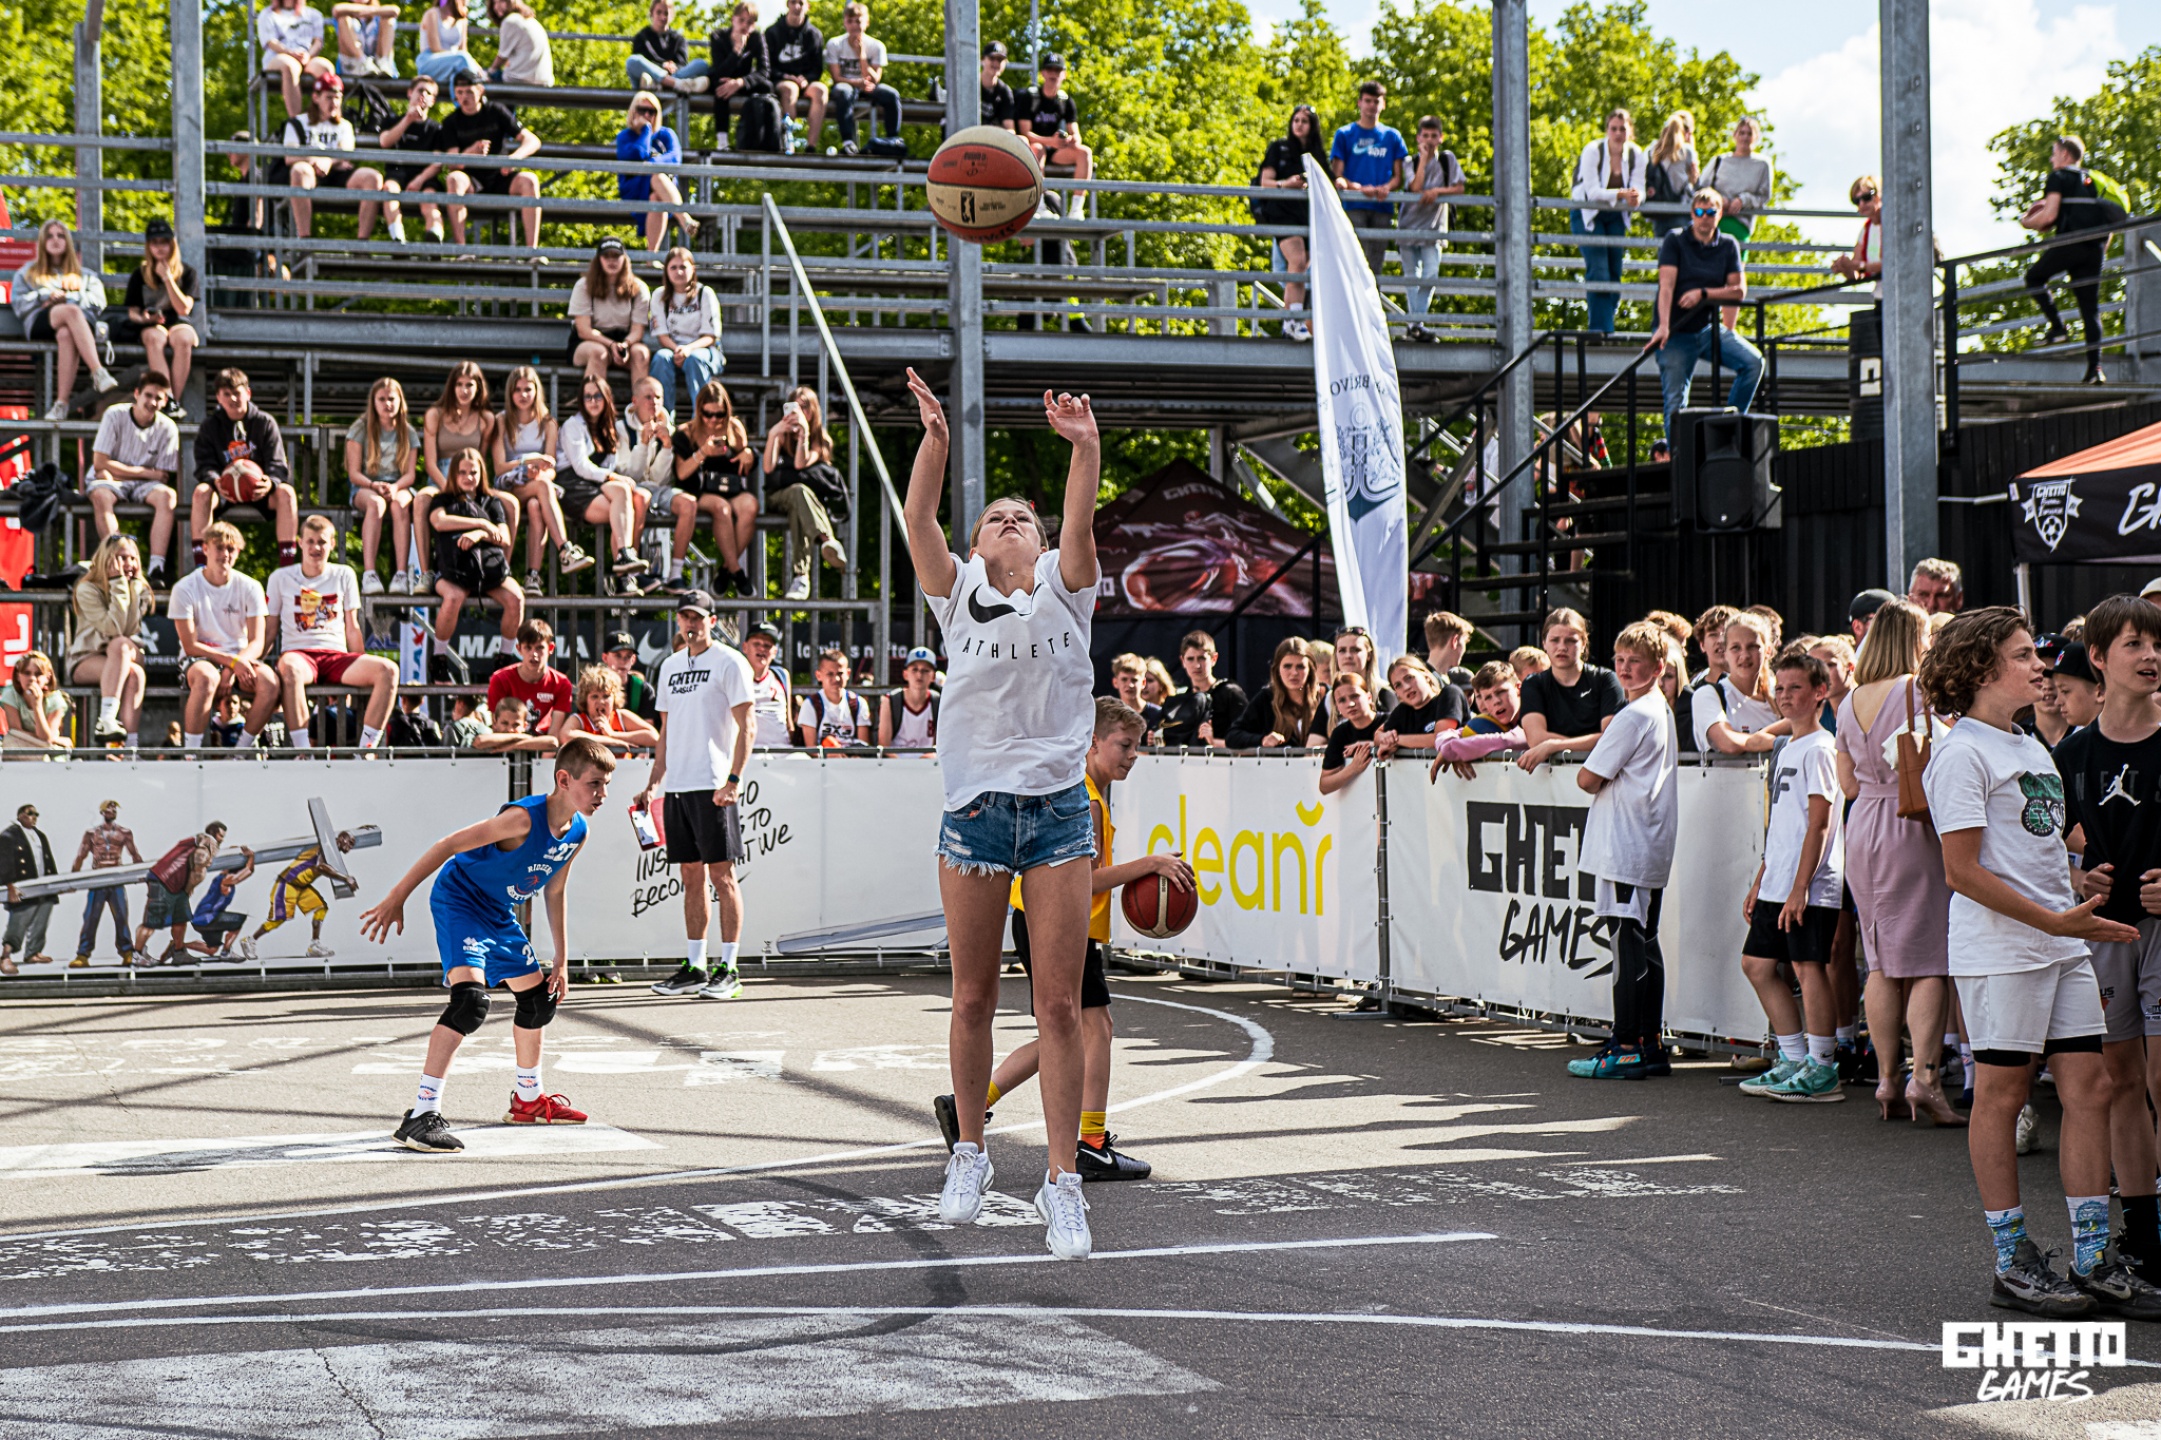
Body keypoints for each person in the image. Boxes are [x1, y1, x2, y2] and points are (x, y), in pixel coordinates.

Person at [902, 363, 1102, 1260]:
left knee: (1058, 1007)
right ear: (977, 546)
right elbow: (919, 521)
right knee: (973, 997)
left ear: (1042, 540)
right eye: (995, 517)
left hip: (1056, 811)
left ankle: (1062, 1182)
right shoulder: (956, 592)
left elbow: (1079, 520)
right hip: (975, 811)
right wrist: (936, 443)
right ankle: (970, 1155)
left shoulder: (1067, 583)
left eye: (1023, 514)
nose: (1010, 520)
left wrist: (1084, 446)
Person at [1918, 608, 2161, 1317]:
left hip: (2060, 942)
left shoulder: (2026, 744)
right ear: (1981, 667)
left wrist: (2075, 882)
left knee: (2090, 1088)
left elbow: (2039, 844)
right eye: (2024, 655)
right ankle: (2012, 1259)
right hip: (2003, 952)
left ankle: (2091, 1255)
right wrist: (2054, 918)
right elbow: (1961, 871)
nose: (2040, 667)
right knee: (2002, 1096)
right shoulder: (1960, 753)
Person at [944, 698, 1192, 1182]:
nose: (1133, 755)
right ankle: (1091, 1145)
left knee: (1067, 1032)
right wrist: (1149, 864)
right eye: (1124, 744)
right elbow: (1085, 880)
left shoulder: (1090, 792)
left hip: (1050, 920)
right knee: (1094, 1030)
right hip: (1055, 921)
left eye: (1137, 746)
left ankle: (972, 1100)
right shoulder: (1085, 799)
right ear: (1092, 742)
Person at [367, 737, 616, 1153]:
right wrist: (398, 897)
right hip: (461, 899)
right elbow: (448, 845)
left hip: (498, 910)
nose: (602, 794)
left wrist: (561, 958)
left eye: (606, 784)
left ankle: (528, 1100)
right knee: (470, 1003)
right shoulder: (522, 820)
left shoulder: (578, 832)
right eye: (594, 784)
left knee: (538, 1001)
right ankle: (421, 1114)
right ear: (563, 780)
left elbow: (555, 891)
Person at [2055, 595, 2161, 1284]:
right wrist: (2076, 875)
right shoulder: (2071, 753)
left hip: (2160, 931)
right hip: (2102, 931)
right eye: (2134, 644)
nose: (2151, 656)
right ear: (2097, 657)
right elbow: (2040, 849)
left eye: (2157, 645)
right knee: (2121, 1080)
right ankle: (2143, 1235)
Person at [1732, 648, 1849, 1103]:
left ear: (1819, 692)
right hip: (1779, 878)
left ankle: (1822, 1067)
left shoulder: (1821, 747)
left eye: (1795, 687)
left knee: (1807, 965)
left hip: (1810, 883)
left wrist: (1801, 886)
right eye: (1779, 687)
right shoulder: (1787, 746)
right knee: (1757, 965)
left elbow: (1819, 823)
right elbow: (1782, 822)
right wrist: (1763, 878)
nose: (1784, 695)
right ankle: (1793, 1057)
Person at [1568, 622, 1680, 1079]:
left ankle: (1628, 1044)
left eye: (1636, 661)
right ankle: (1649, 1043)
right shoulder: (1657, 709)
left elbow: (1587, 778)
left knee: (1627, 944)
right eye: (1620, 659)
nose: (1625, 668)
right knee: (1644, 942)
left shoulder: (1634, 715)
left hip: (1626, 845)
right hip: (1643, 842)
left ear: (1658, 667)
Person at [639, 590, 757, 1002]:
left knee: (722, 876)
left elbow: (748, 725)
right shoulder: (670, 665)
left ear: (712, 620)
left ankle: (730, 968)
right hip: (678, 787)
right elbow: (666, 733)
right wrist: (654, 782)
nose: (690, 624)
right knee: (690, 876)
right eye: (684, 617)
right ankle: (695, 965)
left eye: (697, 617)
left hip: (713, 785)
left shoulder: (730, 661)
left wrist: (734, 779)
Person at [268, 515, 398, 749]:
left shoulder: (344, 574)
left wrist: (360, 660)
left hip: (336, 655)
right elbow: (270, 629)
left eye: (322, 542)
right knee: (290, 668)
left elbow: (352, 626)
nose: (316, 547)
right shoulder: (281, 577)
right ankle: (304, 751)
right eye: (310, 541)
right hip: (299, 655)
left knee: (388, 670)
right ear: (299, 543)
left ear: (332, 544)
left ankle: (366, 750)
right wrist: (252, 662)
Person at [1648, 186, 1764, 435]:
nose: (1704, 218)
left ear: (1719, 215)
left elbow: (1738, 291)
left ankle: (1729, 429)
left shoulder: (1728, 245)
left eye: (1710, 212)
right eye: (1699, 212)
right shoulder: (1675, 239)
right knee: (1675, 403)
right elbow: (1666, 286)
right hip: (1675, 331)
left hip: (1707, 329)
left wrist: (1703, 295)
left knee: (1754, 363)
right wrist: (1663, 326)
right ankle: (1678, 456)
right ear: (1692, 213)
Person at [170, 522, 277, 749]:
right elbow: (190, 646)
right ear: (205, 548)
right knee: (207, 678)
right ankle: (191, 755)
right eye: (219, 547)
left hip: (239, 658)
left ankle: (241, 751)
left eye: (231, 548)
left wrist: (232, 667)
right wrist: (232, 664)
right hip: (200, 658)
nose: (225, 554)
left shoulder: (251, 586)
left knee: (270, 682)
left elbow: (257, 641)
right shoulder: (184, 587)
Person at [2020, 136, 2111, 383]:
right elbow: (2108, 219)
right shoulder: (2094, 179)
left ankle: (2058, 327)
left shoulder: (2058, 177)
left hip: (2071, 241)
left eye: (2053, 153)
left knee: (2034, 277)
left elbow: (2048, 217)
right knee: (2090, 309)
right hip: (2096, 247)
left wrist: (2026, 221)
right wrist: (2100, 250)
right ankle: (2095, 370)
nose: (2051, 159)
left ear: (2064, 155)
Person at [191, 369, 299, 569]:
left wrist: (270, 482)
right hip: (224, 491)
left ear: (248, 393)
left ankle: (287, 567)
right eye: (226, 394)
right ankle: (201, 566)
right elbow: (204, 464)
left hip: (259, 491)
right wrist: (215, 480)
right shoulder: (210, 426)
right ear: (218, 397)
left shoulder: (264, 423)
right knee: (201, 493)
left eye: (237, 393)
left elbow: (278, 464)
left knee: (287, 493)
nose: (233, 398)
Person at [12, 219, 117, 421]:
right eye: (49, 236)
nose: (55, 240)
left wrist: (69, 297)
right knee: (72, 312)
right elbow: (19, 304)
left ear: (68, 241)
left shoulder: (85, 276)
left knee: (66, 333)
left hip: (76, 327)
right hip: (41, 322)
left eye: (60, 236)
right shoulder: (28, 273)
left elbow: (98, 303)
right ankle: (98, 371)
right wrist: (46, 296)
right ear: (42, 242)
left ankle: (61, 403)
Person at [276, 73, 399, 242]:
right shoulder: (297, 122)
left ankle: (362, 245)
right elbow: (290, 157)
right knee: (300, 170)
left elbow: (346, 153)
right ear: (315, 97)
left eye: (338, 97)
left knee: (373, 177)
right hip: (309, 174)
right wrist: (315, 160)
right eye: (329, 97)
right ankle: (304, 240)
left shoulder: (345, 125)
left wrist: (328, 161)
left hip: (338, 174)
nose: (334, 103)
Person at [430, 448, 525, 656]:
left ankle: (505, 657)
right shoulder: (443, 499)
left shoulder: (492, 502)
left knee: (516, 599)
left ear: (482, 473)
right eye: (462, 472)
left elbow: (505, 537)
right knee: (453, 597)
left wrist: (479, 534)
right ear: (454, 474)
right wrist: (481, 524)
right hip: (453, 573)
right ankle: (438, 658)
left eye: (473, 472)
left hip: (488, 572)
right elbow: (439, 521)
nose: (468, 477)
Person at [556, 378, 652, 584]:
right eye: (587, 397)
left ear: (606, 398)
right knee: (623, 509)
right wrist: (613, 477)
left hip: (595, 483)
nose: (593, 401)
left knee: (633, 498)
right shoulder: (573, 425)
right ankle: (626, 570)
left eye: (597, 396)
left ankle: (625, 566)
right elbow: (581, 466)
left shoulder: (610, 427)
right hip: (572, 485)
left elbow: (609, 467)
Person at [89, 372, 182, 582]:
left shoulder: (168, 427)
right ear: (137, 393)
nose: (152, 402)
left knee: (168, 496)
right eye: (148, 395)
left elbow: (163, 476)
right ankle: (116, 561)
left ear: (165, 402)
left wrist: (120, 469)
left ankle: (156, 568)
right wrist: (145, 472)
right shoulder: (114, 414)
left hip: (144, 485)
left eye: (158, 398)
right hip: (114, 481)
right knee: (101, 495)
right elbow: (100, 463)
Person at [415, 360, 496, 595]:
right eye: (459, 384)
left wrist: (468, 488)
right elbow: (429, 463)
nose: (464, 390)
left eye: (469, 385)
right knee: (421, 499)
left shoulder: (486, 419)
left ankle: (500, 572)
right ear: (451, 387)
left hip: (472, 481)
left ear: (478, 387)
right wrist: (451, 489)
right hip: (441, 479)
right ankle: (426, 573)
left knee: (509, 503)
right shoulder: (435, 414)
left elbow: (480, 461)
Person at [440, 73, 544, 251]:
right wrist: (471, 153)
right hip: (471, 180)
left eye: (469, 92)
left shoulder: (496, 111)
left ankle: (531, 252)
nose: (464, 97)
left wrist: (514, 159)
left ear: (480, 90)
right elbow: (452, 164)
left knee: (530, 180)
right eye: (460, 92)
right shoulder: (450, 122)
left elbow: (533, 141)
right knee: (454, 179)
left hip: (501, 176)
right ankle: (462, 251)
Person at [67, 534, 153, 747]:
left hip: (123, 653)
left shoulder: (139, 588)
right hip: (86, 659)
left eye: (133, 558)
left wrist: (131, 588)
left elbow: (129, 629)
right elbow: (113, 629)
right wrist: (118, 584)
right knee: (130, 664)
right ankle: (108, 722)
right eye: (122, 558)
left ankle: (127, 747)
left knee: (124, 652)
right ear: (107, 559)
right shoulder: (87, 588)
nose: (129, 564)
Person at [765, 386, 849, 602]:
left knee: (799, 503)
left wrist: (804, 434)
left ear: (813, 411)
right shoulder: (781, 435)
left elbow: (800, 464)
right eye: (795, 407)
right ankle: (827, 539)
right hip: (778, 497)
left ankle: (801, 577)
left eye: (805, 407)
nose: (800, 412)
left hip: (802, 504)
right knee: (799, 491)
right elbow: (768, 467)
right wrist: (774, 434)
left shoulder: (820, 440)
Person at [676, 379, 759, 593]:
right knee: (722, 508)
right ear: (699, 410)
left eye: (719, 414)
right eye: (708, 414)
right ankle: (737, 572)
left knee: (751, 506)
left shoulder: (734, 428)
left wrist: (748, 454)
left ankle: (726, 569)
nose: (713, 420)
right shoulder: (686, 433)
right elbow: (681, 473)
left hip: (731, 488)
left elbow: (747, 462)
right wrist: (702, 452)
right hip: (700, 490)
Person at [1515, 607, 1624, 770]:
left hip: (1600, 772)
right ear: (1544, 643)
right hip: (1551, 777)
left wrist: (1552, 746)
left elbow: (1611, 739)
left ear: (1584, 643)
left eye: (1570, 641)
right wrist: (1588, 743)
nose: (1562, 647)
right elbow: (1536, 739)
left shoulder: (1606, 680)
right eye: (1555, 640)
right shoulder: (1534, 684)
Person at [619, 376, 699, 591]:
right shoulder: (621, 428)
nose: (654, 402)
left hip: (658, 489)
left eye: (658, 397)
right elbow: (630, 475)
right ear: (635, 401)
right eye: (648, 397)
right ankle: (632, 573)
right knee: (641, 497)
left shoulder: (670, 430)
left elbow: (659, 479)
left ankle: (675, 574)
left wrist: (666, 447)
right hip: (630, 489)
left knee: (689, 503)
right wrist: (643, 444)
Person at [1569, 109, 1645, 336]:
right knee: (1599, 270)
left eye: (1622, 129)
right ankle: (1600, 331)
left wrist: (1637, 197)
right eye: (1614, 129)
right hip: (1587, 213)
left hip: (1615, 215)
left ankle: (1604, 326)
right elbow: (1593, 192)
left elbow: (1639, 187)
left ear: (1629, 131)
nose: (1618, 133)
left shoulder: (1636, 154)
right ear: (1607, 130)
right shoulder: (1593, 150)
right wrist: (1622, 194)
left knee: (1614, 273)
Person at [1254, 104, 1325, 341]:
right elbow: (1265, 182)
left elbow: (1329, 180)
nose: (1299, 125)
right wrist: (1287, 184)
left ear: (1312, 126)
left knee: (1301, 267)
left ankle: (1292, 321)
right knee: (1296, 261)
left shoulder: (1316, 153)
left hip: (1307, 215)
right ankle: (1294, 319)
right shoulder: (1279, 148)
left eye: (1304, 121)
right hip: (1282, 212)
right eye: (1296, 120)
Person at [117, 220, 201, 415]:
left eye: (164, 242)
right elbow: (132, 311)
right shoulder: (139, 274)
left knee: (184, 338)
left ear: (172, 244)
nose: (160, 247)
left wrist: (167, 278)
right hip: (152, 325)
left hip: (178, 322)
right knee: (154, 337)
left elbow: (184, 309)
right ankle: (168, 397)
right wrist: (144, 319)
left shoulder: (188, 272)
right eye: (155, 243)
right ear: (149, 246)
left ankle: (173, 401)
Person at [347, 376, 421, 596]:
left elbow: (410, 474)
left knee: (400, 505)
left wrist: (395, 487)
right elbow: (353, 473)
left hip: (399, 485)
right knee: (377, 504)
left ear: (400, 401)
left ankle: (401, 574)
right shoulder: (360, 428)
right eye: (381, 399)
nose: (387, 404)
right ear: (373, 402)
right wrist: (373, 484)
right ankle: (369, 574)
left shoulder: (408, 432)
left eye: (391, 399)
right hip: (366, 485)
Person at [1703, 117, 1774, 331]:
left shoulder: (1762, 164)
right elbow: (1701, 189)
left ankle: (1727, 329)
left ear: (1756, 137)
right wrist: (1720, 200)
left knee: (1734, 276)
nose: (1744, 137)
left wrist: (1743, 200)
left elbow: (1764, 196)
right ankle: (1704, 324)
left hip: (1740, 224)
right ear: (1734, 135)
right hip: (1713, 221)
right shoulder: (1719, 161)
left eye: (1749, 133)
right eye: (1741, 132)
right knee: (1707, 272)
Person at [1329, 81, 1406, 276]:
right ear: (1359, 103)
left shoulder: (1392, 136)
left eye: (1376, 101)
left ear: (1383, 104)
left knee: (1375, 264)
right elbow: (1337, 175)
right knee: (1354, 260)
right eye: (1368, 101)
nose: (1372, 105)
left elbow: (1399, 177)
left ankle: (1374, 296)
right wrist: (1358, 188)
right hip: (1354, 205)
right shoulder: (1345, 134)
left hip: (1382, 206)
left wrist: (1386, 187)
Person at [1399, 117, 1464, 343]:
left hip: (1434, 228)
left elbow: (1459, 188)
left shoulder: (1447, 160)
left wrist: (1437, 191)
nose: (1429, 140)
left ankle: (1415, 324)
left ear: (1441, 138)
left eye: (1433, 136)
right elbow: (1415, 187)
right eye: (1425, 136)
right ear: (1418, 138)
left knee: (1431, 274)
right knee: (1411, 277)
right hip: (1408, 226)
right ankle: (1417, 326)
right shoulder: (1410, 161)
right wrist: (1423, 161)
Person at [1693, 610, 1785, 755]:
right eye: (1736, 648)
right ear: (1725, 652)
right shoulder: (1707, 694)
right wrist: (1776, 741)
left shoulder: (1779, 695)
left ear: (1767, 650)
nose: (1744, 655)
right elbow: (1728, 743)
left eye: (1752, 646)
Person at [568, 236, 652, 392]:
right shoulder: (584, 285)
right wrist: (611, 345)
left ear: (624, 259)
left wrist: (624, 345)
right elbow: (583, 330)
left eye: (616, 256)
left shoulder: (639, 287)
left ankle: (639, 405)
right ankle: (592, 403)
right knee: (599, 353)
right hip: (589, 341)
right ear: (598, 260)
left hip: (625, 341)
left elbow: (638, 331)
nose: (611, 261)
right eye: (606, 256)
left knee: (641, 353)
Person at [617, 94, 698, 252]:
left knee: (656, 196)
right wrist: (646, 130)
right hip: (634, 190)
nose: (647, 115)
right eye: (642, 110)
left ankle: (651, 256)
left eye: (652, 111)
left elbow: (675, 157)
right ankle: (684, 218)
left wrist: (651, 164)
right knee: (657, 176)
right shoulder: (625, 136)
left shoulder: (666, 135)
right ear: (633, 111)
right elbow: (637, 154)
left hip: (663, 193)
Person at [378, 75, 451, 246]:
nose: (423, 95)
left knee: (429, 199)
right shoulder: (392, 121)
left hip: (425, 177)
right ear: (409, 92)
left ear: (433, 101)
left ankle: (434, 239)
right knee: (389, 190)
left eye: (428, 93)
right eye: (420, 90)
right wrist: (408, 119)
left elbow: (437, 163)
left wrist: (420, 180)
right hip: (397, 173)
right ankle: (398, 239)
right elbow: (385, 142)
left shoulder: (436, 129)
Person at [648, 247, 721, 412]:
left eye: (683, 267)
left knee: (695, 359)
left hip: (703, 351)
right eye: (673, 267)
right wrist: (678, 350)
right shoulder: (659, 295)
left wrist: (688, 349)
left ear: (693, 269)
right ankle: (663, 416)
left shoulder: (705, 293)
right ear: (666, 271)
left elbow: (710, 336)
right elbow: (662, 336)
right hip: (672, 350)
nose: (678, 272)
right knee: (660, 358)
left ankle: (701, 416)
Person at [72, 800, 144, 968]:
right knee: (91, 917)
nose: (112, 811)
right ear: (102, 812)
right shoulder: (91, 833)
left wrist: (143, 875)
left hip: (116, 878)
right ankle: (83, 954)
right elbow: (81, 855)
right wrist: (73, 880)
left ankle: (127, 951)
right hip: (98, 878)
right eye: (109, 808)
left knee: (121, 916)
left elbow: (135, 854)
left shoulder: (124, 832)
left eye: (114, 808)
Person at [825, 3, 900, 156]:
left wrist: (861, 55)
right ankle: (848, 142)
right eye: (850, 21)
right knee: (843, 92)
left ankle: (893, 140)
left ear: (867, 22)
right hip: (846, 85)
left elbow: (875, 78)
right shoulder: (834, 44)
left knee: (892, 94)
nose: (854, 25)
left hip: (868, 86)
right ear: (844, 23)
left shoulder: (876, 46)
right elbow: (836, 78)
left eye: (858, 21)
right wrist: (858, 83)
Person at [1159, 630, 1247, 748]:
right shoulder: (1183, 697)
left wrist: (1214, 742)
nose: (1197, 665)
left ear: (1214, 659)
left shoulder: (1230, 693)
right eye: (1190, 659)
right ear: (1183, 661)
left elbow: (1247, 739)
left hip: (1223, 758)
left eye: (1202, 658)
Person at [0, 804, 62, 973]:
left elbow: (48, 860)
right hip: (23, 886)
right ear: (20, 815)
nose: (34, 817)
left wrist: (56, 885)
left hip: (43, 885)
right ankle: (5, 957)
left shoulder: (40, 835)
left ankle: (33, 953)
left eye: (36, 814)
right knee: (19, 920)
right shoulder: (8, 836)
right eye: (30, 813)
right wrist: (10, 886)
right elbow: (4, 863)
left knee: (42, 918)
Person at [1225, 637, 1317, 749]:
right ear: (1277, 669)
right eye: (1287, 666)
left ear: (1310, 670)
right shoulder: (1267, 698)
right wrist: (1263, 740)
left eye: (1300, 667)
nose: (1294, 673)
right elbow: (1232, 736)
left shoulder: (1323, 697)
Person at [1018, 53, 1091, 190]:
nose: (1053, 73)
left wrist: (1072, 139)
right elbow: (1024, 133)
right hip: (1034, 149)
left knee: (1085, 153)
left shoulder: (1066, 101)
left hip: (1057, 152)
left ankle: (1077, 203)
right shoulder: (1030, 97)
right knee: (1038, 149)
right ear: (1043, 73)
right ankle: (1039, 199)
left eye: (1057, 70)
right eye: (1049, 69)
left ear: (1064, 74)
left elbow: (1075, 133)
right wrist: (1050, 141)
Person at [487, 617, 573, 733]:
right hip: (508, 740)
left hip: (545, 742)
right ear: (519, 649)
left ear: (551, 648)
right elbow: (497, 728)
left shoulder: (562, 683)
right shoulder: (500, 679)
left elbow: (554, 735)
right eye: (528, 647)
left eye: (539, 648)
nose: (534, 654)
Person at [711, 2, 776, 148]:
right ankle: (722, 140)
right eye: (741, 20)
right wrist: (736, 51)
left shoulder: (757, 37)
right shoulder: (718, 36)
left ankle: (764, 137)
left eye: (750, 22)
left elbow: (764, 71)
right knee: (721, 87)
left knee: (767, 87)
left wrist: (741, 82)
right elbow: (719, 71)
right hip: (725, 79)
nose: (745, 26)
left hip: (744, 82)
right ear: (733, 19)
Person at [765, 0, 828, 150]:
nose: (797, 7)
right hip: (781, 80)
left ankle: (811, 147)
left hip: (806, 82)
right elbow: (767, 67)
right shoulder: (772, 32)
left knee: (821, 90)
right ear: (788, 4)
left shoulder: (814, 35)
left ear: (808, 6)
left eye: (801, 3)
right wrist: (785, 76)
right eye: (793, 2)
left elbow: (817, 69)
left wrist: (806, 79)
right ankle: (788, 143)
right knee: (790, 89)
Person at [259, 0, 335, 118]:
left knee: (325, 68)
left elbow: (318, 42)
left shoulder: (314, 14)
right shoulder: (267, 14)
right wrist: (291, 53)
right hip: (278, 56)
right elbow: (270, 42)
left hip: (307, 56)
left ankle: (325, 118)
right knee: (290, 67)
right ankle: (296, 121)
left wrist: (308, 55)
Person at [1375, 654, 1466, 752]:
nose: (1406, 687)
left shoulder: (1450, 693)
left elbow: (1441, 739)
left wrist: (1396, 740)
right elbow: (1378, 735)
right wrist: (1386, 739)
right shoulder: (1403, 710)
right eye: (1398, 685)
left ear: (1426, 676)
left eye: (1409, 678)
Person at [1318, 672, 1390, 797]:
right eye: (1342, 700)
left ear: (1369, 697)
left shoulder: (1389, 721)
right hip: (1360, 800)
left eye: (1355, 696)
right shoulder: (1340, 733)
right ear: (1337, 707)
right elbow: (1324, 785)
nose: (1350, 704)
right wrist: (1353, 768)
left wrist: (1372, 745)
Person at [557, 665, 660, 751]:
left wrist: (613, 734)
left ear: (615, 698)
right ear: (585, 699)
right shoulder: (579, 720)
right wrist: (610, 741)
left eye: (606, 696)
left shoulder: (621, 716)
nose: (601, 702)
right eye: (595, 696)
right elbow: (565, 736)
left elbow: (654, 737)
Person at [189, 846, 257, 959]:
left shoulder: (221, 878)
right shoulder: (226, 880)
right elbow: (248, 871)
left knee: (212, 949)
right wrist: (251, 856)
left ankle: (178, 946)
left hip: (199, 921)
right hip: (208, 918)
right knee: (238, 920)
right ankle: (226, 952)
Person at [627, 0, 710, 91]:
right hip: (649, 77)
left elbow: (682, 64)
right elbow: (640, 63)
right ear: (651, 13)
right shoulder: (641, 37)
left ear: (672, 15)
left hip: (668, 77)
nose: (663, 17)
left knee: (701, 65)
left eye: (666, 13)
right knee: (632, 61)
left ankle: (661, 84)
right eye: (659, 12)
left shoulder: (679, 39)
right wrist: (662, 65)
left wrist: (673, 67)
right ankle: (675, 84)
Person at [796, 648, 872, 746]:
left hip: (851, 755)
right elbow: (811, 748)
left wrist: (851, 754)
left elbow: (863, 746)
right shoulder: (810, 704)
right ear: (818, 675)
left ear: (848, 674)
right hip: (822, 755)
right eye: (830, 674)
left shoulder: (859, 703)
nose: (836, 679)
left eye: (840, 673)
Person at [0, 652, 70, 752]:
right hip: (20, 745)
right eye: (27, 673)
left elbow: (45, 737)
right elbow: (16, 733)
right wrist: (55, 740)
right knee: (11, 740)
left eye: (38, 674)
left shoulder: (56, 700)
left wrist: (37, 705)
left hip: (47, 752)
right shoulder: (10, 694)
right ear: (18, 676)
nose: (32, 678)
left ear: (48, 678)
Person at [741, 620, 792, 745]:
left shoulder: (781, 675)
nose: (762, 649)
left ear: (775, 652)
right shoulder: (735, 676)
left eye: (767, 645)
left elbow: (789, 723)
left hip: (782, 749)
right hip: (749, 749)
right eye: (756, 644)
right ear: (745, 647)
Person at [1829, 176, 1882, 291]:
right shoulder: (1866, 230)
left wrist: (1860, 266)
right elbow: (1857, 275)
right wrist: (1845, 267)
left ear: (1879, 195)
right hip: (1881, 294)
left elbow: (1893, 263)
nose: (1861, 204)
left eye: (1866, 197)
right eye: (1856, 201)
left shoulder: (1893, 225)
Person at [879, 646, 940, 747]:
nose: (919, 675)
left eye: (925, 671)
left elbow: (940, 744)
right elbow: (884, 746)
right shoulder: (891, 701)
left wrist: (931, 754)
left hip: (929, 757)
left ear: (933, 676)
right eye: (914, 670)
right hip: (897, 757)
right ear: (905, 674)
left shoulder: (938, 702)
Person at [486, 0, 554, 86]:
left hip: (520, 80)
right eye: (494, 3)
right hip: (544, 81)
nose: (496, 7)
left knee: (480, 78)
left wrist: (489, 72)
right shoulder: (530, 20)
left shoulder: (510, 21)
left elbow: (501, 57)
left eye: (501, 1)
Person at [1644, 110, 1699, 210]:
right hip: (1680, 208)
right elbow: (1695, 182)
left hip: (1655, 207)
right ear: (1686, 132)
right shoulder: (1687, 152)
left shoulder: (1652, 150)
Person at [415, 0, 477, 86]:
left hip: (455, 64)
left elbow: (463, 50)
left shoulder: (462, 19)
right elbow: (435, 48)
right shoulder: (432, 13)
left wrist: (477, 67)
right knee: (462, 59)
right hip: (429, 61)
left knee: (458, 75)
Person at [332, 0, 400, 78]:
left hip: (378, 62)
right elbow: (337, 9)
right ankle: (362, 61)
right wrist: (372, 10)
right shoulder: (344, 16)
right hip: (352, 65)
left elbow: (395, 10)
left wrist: (365, 11)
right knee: (343, 18)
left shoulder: (379, 18)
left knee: (388, 18)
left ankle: (384, 62)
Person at [1105, 653, 1164, 738]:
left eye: (1134, 680)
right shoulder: (1109, 716)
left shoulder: (1157, 714)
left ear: (1143, 683)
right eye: (1124, 679)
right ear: (1115, 682)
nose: (1130, 685)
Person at [471, 694, 556, 752]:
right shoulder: (488, 734)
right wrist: (518, 737)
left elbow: (553, 742)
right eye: (505, 723)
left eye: (516, 725)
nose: (510, 729)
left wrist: (512, 746)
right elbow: (479, 741)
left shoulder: (526, 737)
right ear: (495, 723)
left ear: (524, 726)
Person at [602, 632, 657, 718]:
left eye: (628, 656)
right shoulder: (593, 687)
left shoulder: (643, 690)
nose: (623, 661)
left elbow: (649, 724)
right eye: (618, 655)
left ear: (633, 659)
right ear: (605, 658)